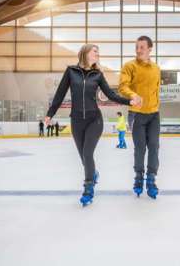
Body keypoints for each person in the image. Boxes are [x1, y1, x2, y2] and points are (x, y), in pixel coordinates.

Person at [45, 44, 138, 206]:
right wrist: (50, 113)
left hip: (94, 120)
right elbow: (59, 94)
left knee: (87, 154)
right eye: (95, 51)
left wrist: (129, 101)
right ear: (85, 52)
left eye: (98, 52)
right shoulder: (71, 72)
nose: (98, 54)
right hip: (76, 120)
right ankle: (93, 173)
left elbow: (111, 95)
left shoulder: (98, 75)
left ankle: (88, 188)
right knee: (83, 157)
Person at [118, 36, 161, 199]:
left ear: (150, 49)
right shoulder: (129, 66)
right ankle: (138, 177)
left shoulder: (156, 68)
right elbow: (123, 86)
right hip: (136, 114)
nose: (138, 50)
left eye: (142, 47)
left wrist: (156, 106)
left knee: (154, 146)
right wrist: (133, 95)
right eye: (136, 47)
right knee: (140, 148)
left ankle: (151, 178)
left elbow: (156, 90)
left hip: (154, 114)